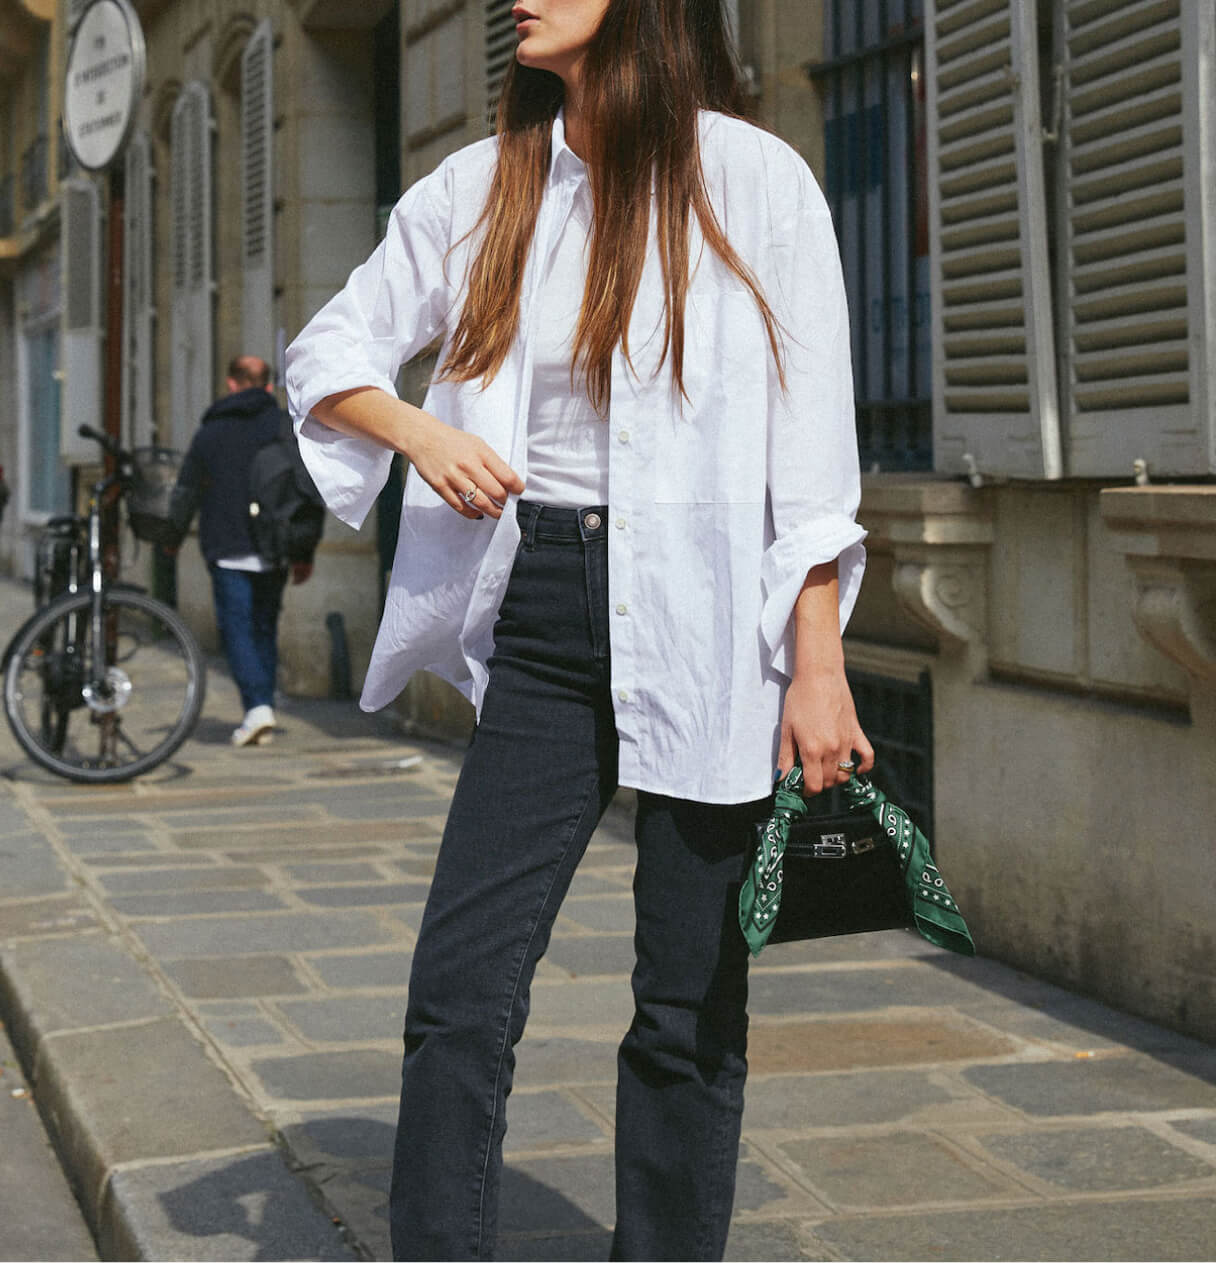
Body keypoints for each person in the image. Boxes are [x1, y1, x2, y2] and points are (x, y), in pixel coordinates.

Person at [283, 2, 873, 1258]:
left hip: (717, 620)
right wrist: (421, 432)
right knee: (459, 990)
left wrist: (818, 665)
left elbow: (812, 465)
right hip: (548, 605)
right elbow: (328, 349)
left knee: (688, 999)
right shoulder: (488, 186)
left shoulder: (756, 181)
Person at [174, 355, 314, 748]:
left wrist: (171, 536)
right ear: (269, 387)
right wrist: (305, 550)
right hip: (275, 543)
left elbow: (185, 489)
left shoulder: (210, 432)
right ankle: (262, 704)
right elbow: (307, 491)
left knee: (237, 628)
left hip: (226, 544)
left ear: (232, 384)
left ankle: (256, 707)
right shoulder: (285, 427)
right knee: (264, 626)